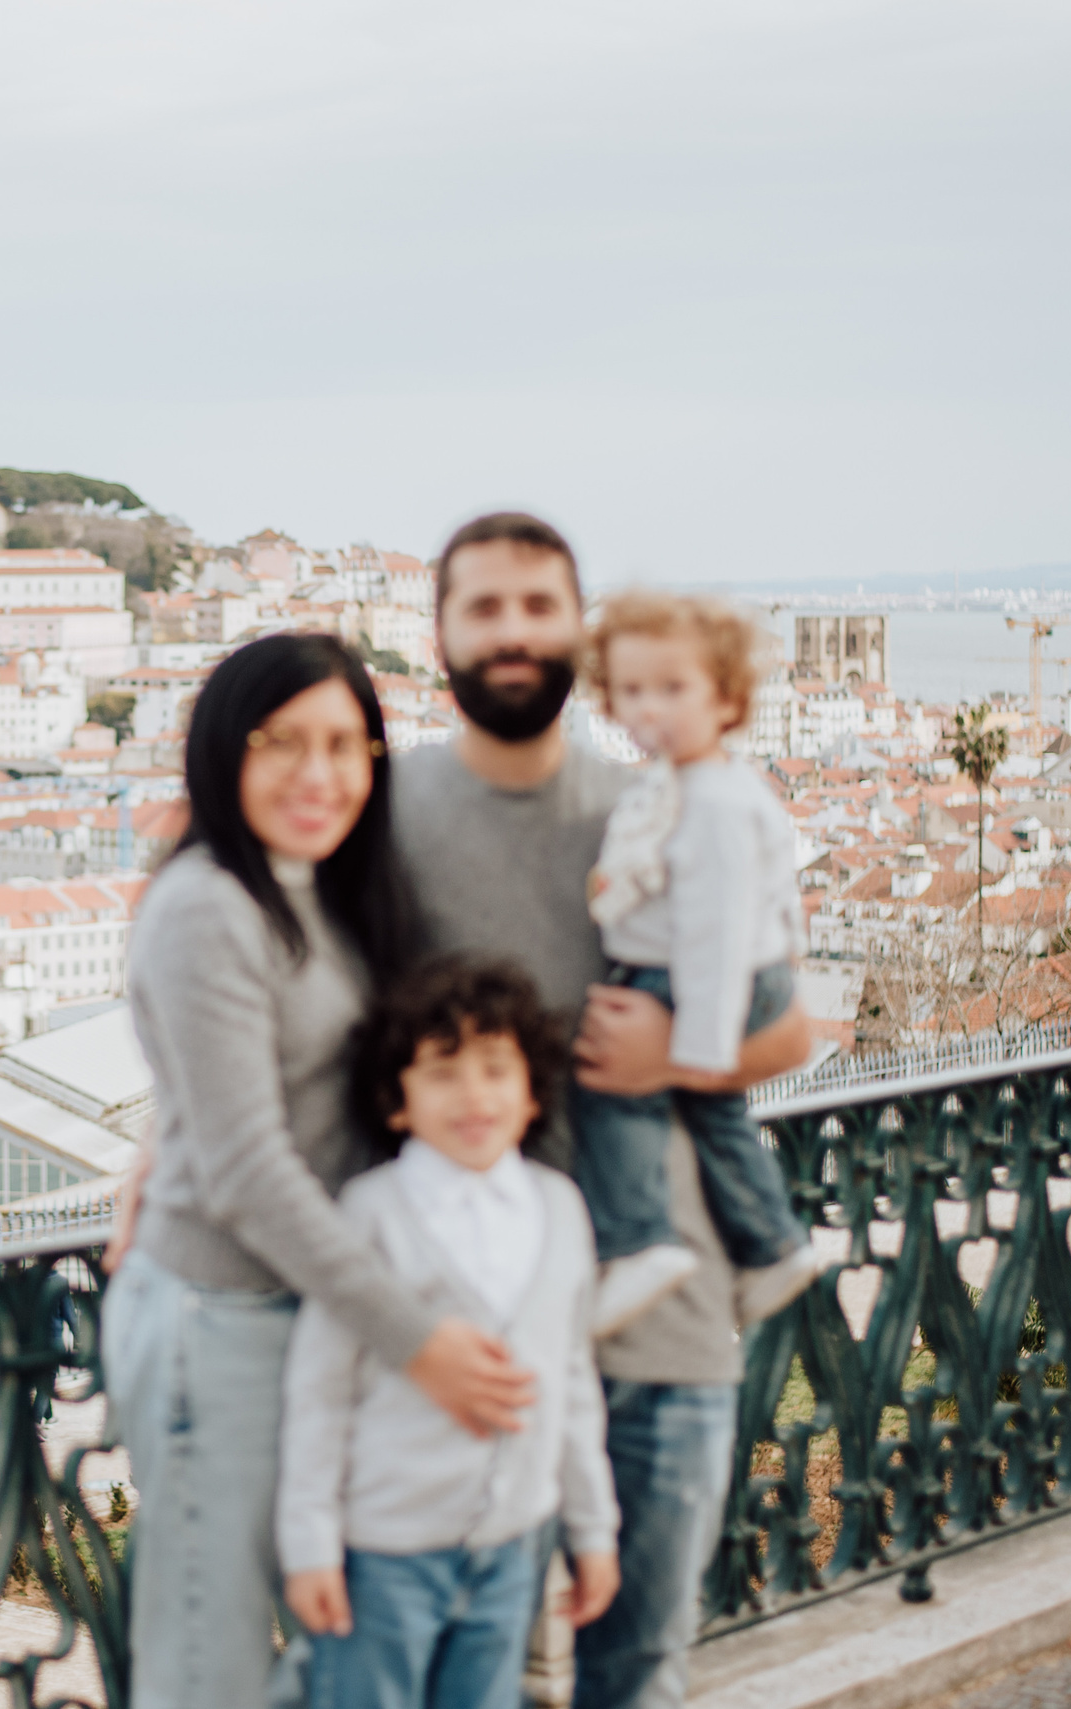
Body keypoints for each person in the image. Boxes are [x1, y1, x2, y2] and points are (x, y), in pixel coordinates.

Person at [385, 513, 813, 1709]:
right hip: (478, 1328)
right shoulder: (391, 811)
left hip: (665, 1314)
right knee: (464, 1675)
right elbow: (314, 1017)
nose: (514, 632)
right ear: (439, 636)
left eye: (539, 606)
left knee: (639, 1669)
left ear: (580, 634)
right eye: (485, 607)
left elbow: (790, 1024)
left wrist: (679, 1054)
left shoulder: (665, 803)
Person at [108, 632, 534, 1709]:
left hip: (300, 1314)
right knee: (207, 1653)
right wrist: (417, 1335)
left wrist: (166, 1135)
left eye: (345, 745)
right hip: (222, 1314)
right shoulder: (209, 903)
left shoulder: (323, 892)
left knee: (332, 1634)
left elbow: (257, 1096)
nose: (317, 773)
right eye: (281, 741)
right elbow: (250, 1166)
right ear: (221, 752)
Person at [279, 958, 619, 1709]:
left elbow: (571, 1381)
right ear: (396, 1101)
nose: (473, 1095)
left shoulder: (559, 1207)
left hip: (513, 1542)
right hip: (386, 1550)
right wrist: (309, 1543)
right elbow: (319, 1389)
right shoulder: (371, 1212)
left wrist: (592, 1527)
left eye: (496, 1069)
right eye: (443, 1071)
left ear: (531, 1093)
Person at [571, 590, 823, 1336]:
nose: (652, 709)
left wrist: (699, 1053)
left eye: (673, 689)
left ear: (727, 698)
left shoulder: (711, 801)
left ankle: (639, 1240)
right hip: (719, 971)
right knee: (717, 1119)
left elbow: (717, 931)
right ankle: (771, 1245)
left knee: (611, 1086)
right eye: (633, 690)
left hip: (704, 978)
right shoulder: (685, 783)